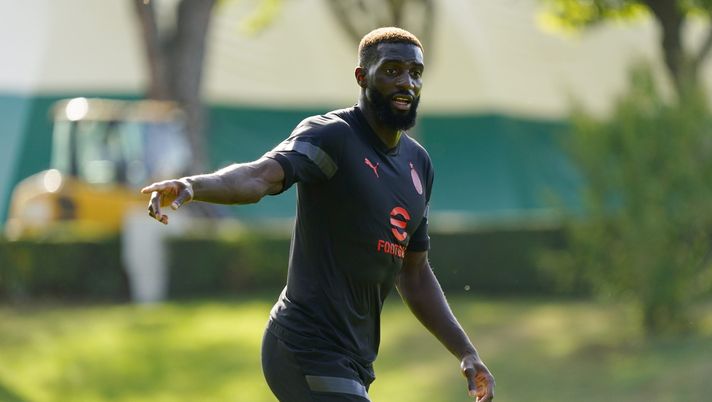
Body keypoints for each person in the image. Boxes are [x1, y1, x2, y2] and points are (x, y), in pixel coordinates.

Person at [141, 27, 495, 402]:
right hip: (303, 346)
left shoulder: (418, 163)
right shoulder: (332, 136)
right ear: (362, 76)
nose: (406, 82)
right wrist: (193, 186)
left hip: (355, 359)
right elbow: (258, 177)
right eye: (391, 70)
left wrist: (466, 352)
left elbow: (415, 273)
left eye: (415, 73)